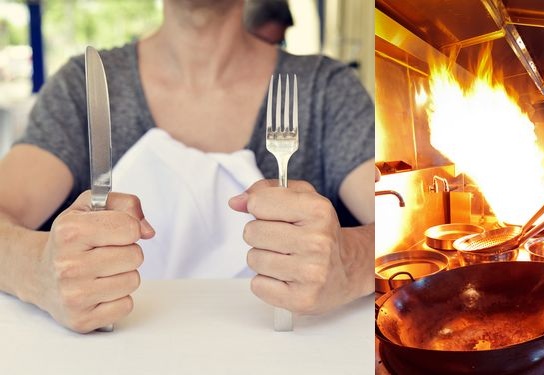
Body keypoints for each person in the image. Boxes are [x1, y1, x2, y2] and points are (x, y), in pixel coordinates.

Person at [0, 0, 374, 333]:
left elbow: (405, 224)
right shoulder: (81, 87)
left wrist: (350, 261)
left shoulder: (326, 89)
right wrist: (38, 269)